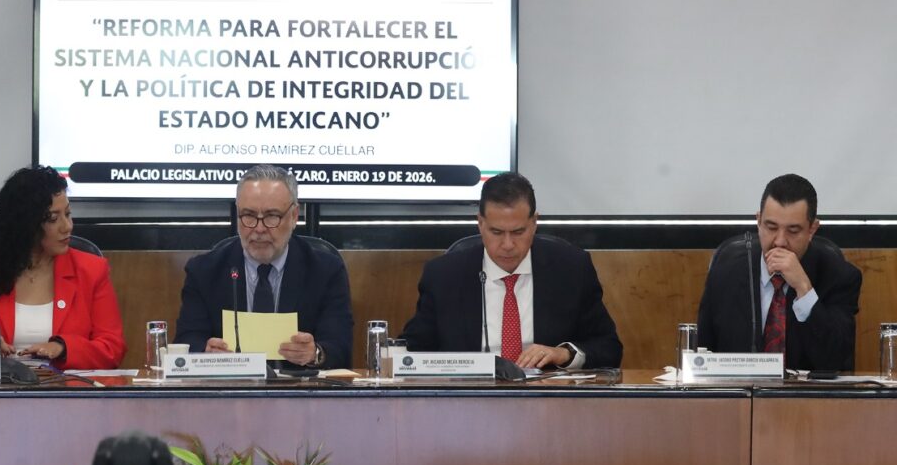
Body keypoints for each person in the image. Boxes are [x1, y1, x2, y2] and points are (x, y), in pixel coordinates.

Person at [401, 172, 622, 369]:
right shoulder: (444, 276)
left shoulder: (571, 269)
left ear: (534, 223)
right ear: (480, 224)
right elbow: (411, 351)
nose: (507, 245)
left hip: (546, 397)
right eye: (496, 232)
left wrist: (563, 354)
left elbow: (609, 348)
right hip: (470, 397)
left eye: (518, 232)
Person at [0, 166, 125, 369]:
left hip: (65, 387)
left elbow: (112, 348)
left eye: (68, 214)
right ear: (25, 224)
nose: (67, 226)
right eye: (53, 218)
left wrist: (63, 348)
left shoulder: (91, 270)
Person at [175, 165, 353, 371]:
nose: (259, 229)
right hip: (230, 387)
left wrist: (315, 354)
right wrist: (206, 353)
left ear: (294, 216)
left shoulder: (325, 271)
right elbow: (187, 341)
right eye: (248, 215)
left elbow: (340, 346)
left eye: (272, 216)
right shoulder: (204, 271)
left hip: (300, 389)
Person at [697, 174, 861, 372]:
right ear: (758, 221)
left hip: (808, 393)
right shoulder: (725, 273)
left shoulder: (839, 277)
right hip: (739, 390)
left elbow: (835, 360)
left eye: (793, 230)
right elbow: (703, 357)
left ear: (812, 229)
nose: (780, 241)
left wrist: (804, 289)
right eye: (771, 227)